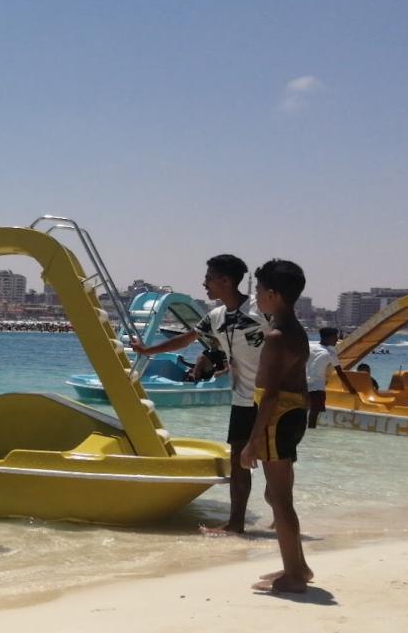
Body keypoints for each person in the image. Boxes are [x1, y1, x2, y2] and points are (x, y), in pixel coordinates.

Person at [131, 254, 266, 536]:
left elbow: (288, 336)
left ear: (226, 281)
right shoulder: (216, 317)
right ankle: (236, 524)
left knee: (277, 462)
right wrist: (148, 350)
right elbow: (187, 338)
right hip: (243, 399)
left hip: (271, 396)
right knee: (240, 461)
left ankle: (283, 518)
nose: (204, 284)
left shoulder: (260, 308)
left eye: (208, 279)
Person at [244, 260, 312, 594]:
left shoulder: (276, 336)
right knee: (277, 494)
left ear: (273, 294)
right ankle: (298, 566)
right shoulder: (295, 329)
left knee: (280, 498)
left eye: (258, 290)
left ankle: (294, 576)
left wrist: (252, 441)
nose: (255, 295)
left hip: (277, 418)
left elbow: (270, 396)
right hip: (291, 414)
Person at [305, 327, 353, 427]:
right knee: (314, 413)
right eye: (335, 337)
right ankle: (312, 433)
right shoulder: (330, 353)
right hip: (317, 387)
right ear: (329, 337)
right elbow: (340, 373)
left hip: (302, 384)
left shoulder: (310, 346)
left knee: (303, 410)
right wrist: (350, 388)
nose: (337, 339)